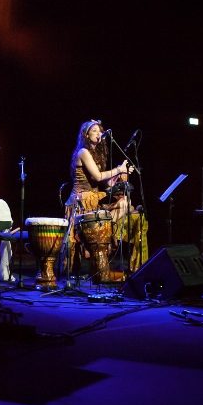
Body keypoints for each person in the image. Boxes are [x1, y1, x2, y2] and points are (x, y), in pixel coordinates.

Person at [62, 119, 132, 283]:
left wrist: (121, 174)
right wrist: (118, 169)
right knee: (121, 204)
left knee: (125, 203)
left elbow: (106, 182)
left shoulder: (97, 154)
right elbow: (98, 176)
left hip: (95, 195)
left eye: (100, 130)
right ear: (86, 134)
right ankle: (104, 235)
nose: (99, 133)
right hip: (83, 199)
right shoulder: (83, 152)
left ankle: (106, 233)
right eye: (94, 130)